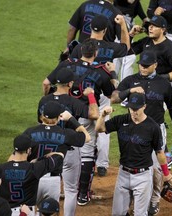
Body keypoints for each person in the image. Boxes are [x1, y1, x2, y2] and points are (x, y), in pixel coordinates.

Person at [111, 50, 172, 215]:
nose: (143, 68)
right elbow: (114, 97)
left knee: (156, 168)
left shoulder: (163, 84)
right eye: (141, 65)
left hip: (156, 129)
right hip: (133, 127)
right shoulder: (130, 81)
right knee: (132, 161)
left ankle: (154, 199)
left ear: (155, 65)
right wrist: (129, 91)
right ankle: (129, 197)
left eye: (146, 66)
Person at [42, 38, 115, 206]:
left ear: (81, 51)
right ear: (96, 53)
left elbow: (46, 83)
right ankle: (82, 194)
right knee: (87, 153)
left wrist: (47, 100)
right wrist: (113, 74)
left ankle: (54, 187)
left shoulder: (65, 65)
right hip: (87, 114)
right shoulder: (101, 71)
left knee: (59, 147)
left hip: (63, 114)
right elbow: (112, 95)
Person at [95, 93, 172, 216]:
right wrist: (103, 115)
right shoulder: (121, 120)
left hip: (143, 177)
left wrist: (166, 174)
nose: (133, 112)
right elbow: (99, 129)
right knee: (117, 214)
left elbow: (159, 152)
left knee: (140, 214)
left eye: (136, 109)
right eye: (131, 108)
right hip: (123, 174)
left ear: (144, 106)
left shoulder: (153, 127)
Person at [70, 14, 130, 177]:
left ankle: (81, 160)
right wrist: (123, 25)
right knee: (103, 124)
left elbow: (72, 67)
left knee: (81, 123)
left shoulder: (79, 47)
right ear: (105, 30)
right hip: (103, 90)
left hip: (82, 91)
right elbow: (126, 47)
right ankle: (102, 164)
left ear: (90, 29)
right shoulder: (110, 47)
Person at [38, 68, 99, 215]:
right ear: (70, 84)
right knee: (71, 190)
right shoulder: (73, 102)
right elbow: (94, 114)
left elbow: (41, 124)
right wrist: (90, 96)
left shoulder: (44, 101)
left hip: (46, 149)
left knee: (44, 186)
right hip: (69, 149)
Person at [21, 100, 89, 208]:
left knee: (28, 210)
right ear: (58, 118)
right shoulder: (65, 133)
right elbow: (87, 137)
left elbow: (20, 155)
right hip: (52, 181)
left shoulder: (29, 132)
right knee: (50, 211)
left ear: (42, 115)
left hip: (32, 177)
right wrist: (71, 119)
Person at [0, 134, 65, 216]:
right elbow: (60, 156)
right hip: (27, 212)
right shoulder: (34, 168)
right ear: (29, 150)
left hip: (5, 212)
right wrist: (38, 159)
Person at [128, 15, 172, 98]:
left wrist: (157, 79)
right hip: (147, 83)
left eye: (154, 26)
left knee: (152, 110)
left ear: (163, 29)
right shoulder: (147, 41)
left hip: (166, 85)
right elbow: (127, 51)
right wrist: (131, 35)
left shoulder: (170, 48)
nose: (150, 28)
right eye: (149, 25)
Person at [113, 0, 149, 82]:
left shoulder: (136, 3)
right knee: (123, 59)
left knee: (126, 59)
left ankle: (122, 86)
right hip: (116, 37)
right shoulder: (117, 2)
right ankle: (119, 86)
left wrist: (147, 28)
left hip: (129, 36)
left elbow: (144, 18)